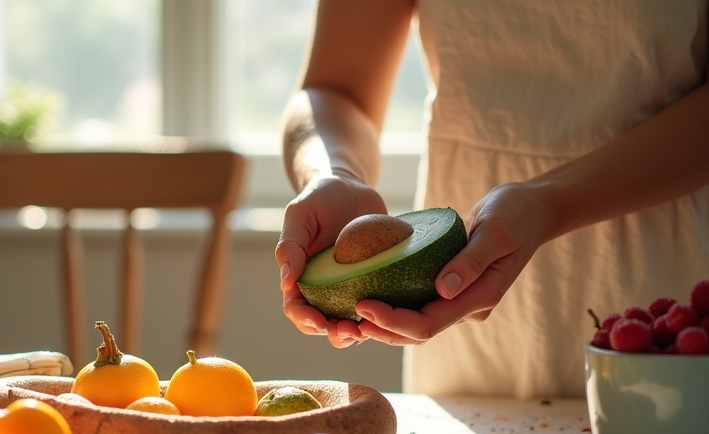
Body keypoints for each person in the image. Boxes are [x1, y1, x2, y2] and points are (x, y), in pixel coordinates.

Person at [275, 0, 709, 398]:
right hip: (457, 302)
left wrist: (547, 202)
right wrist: (334, 172)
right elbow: (335, 88)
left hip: (658, 288)